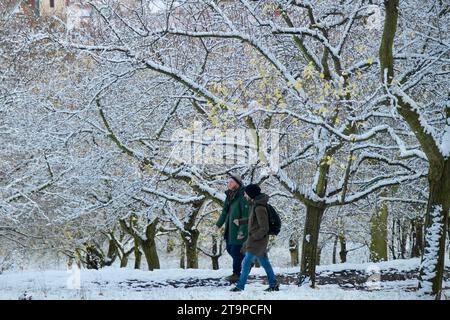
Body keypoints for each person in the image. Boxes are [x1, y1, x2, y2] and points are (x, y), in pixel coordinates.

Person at [230, 183, 279, 292]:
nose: (245, 195)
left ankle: (240, 286)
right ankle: (273, 283)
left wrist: (254, 236)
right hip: (256, 239)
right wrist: (241, 221)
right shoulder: (255, 205)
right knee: (265, 262)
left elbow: (264, 227)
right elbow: (253, 220)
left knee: (246, 262)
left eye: (246, 193)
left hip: (257, 240)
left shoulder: (259, 207)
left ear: (251, 194)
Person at [216, 174, 249, 283]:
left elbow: (246, 214)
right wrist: (218, 224)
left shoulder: (243, 196)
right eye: (228, 182)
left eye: (231, 182)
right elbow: (224, 211)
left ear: (237, 184)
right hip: (229, 229)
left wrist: (242, 231)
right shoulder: (229, 195)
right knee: (230, 249)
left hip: (238, 229)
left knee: (235, 251)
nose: (228, 184)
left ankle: (236, 274)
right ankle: (248, 261)